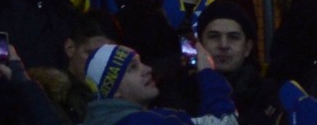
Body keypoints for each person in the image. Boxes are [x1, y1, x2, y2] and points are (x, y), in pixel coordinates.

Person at [80, 39, 237, 124]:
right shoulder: (143, 122)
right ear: (114, 90)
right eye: (132, 68)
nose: (147, 69)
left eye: (141, 62)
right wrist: (208, 73)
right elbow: (225, 122)